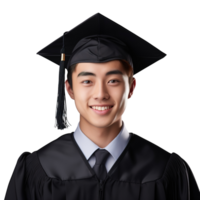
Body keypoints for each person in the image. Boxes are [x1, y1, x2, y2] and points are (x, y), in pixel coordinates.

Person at [4, 13, 200, 200]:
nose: (100, 94)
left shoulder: (163, 169)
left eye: (113, 81)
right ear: (69, 89)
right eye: (87, 81)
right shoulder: (37, 168)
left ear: (131, 87)